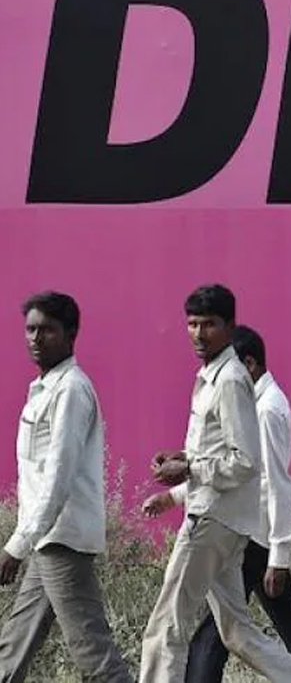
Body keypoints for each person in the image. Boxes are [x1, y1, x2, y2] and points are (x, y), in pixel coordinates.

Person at [143, 325, 291, 682]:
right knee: (256, 629)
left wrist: (279, 556)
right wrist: (175, 491)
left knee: (208, 635)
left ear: (250, 365)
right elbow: (232, 470)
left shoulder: (266, 410)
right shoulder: (252, 405)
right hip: (244, 528)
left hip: (250, 533)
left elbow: (275, 482)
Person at [0, 291, 135, 681]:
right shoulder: (45, 387)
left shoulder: (71, 390)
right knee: (15, 643)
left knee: (93, 652)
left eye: (47, 330)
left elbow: (58, 476)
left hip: (63, 540)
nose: (35, 338)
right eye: (30, 330)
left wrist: (16, 546)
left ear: (71, 334)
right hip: (48, 538)